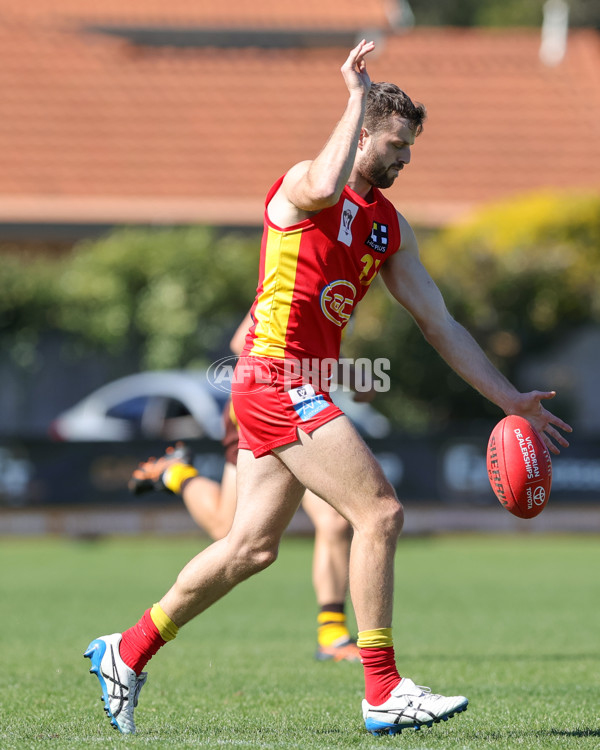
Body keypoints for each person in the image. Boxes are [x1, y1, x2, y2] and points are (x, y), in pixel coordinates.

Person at [84, 40, 572, 736]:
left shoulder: (386, 228)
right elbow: (318, 185)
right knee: (380, 512)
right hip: (274, 376)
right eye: (396, 143)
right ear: (364, 133)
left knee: (250, 546)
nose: (405, 158)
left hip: (300, 385)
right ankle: (382, 689)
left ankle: (125, 651)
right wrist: (351, 96)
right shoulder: (301, 187)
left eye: (411, 147)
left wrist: (510, 400)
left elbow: (441, 324)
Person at [127, 314, 361, 663]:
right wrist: (348, 373)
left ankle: (332, 635)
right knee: (229, 529)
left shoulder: (351, 279)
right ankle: (176, 474)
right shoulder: (291, 269)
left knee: (335, 520)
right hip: (263, 406)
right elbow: (241, 343)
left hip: (306, 408)